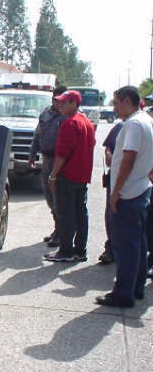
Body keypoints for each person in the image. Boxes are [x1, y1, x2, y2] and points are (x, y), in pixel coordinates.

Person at [95, 87, 153, 307]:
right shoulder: (146, 121)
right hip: (140, 190)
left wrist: (116, 192)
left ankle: (123, 293)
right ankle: (136, 288)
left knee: (125, 246)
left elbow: (128, 159)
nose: (114, 108)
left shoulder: (133, 125)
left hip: (128, 194)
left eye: (116, 103)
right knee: (137, 242)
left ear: (127, 101)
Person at [44, 90, 95, 262]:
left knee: (66, 214)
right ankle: (80, 250)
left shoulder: (70, 123)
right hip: (81, 176)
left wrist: (52, 176)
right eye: (59, 102)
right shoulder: (86, 122)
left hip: (68, 175)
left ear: (74, 103)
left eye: (64, 102)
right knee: (81, 213)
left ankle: (66, 251)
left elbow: (62, 155)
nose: (60, 105)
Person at [28, 85, 67, 247]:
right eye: (56, 99)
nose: (58, 103)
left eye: (61, 100)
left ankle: (62, 233)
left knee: (59, 198)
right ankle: (56, 228)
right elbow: (37, 135)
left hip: (60, 161)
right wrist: (32, 154)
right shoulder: (45, 114)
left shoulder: (68, 117)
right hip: (46, 160)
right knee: (50, 199)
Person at [98, 120, 124, 264]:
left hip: (136, 182)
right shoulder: (119, 127)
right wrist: (109, 154)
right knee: (111, 214)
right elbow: (108, 146)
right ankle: (112, 249)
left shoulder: (143, 126)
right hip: (114, 178)